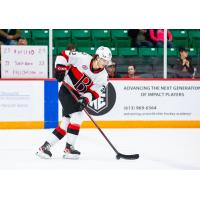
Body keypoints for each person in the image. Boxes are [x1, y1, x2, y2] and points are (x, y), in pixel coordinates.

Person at [36, 46, 112, 159]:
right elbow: (63, 55)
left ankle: (44, 147)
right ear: (96, 57)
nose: (104, 63)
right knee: (77, 116)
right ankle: (69, 148)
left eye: (106, 61)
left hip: (77, 97)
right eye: (103, 60)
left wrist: (85, 99)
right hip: (66, 91)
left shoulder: (103, 76)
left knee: (65, 125)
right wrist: (60, 68)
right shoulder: (83, 57)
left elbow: (94, 92)